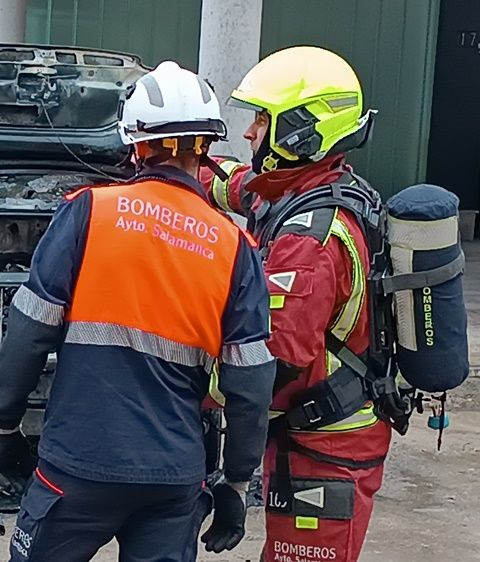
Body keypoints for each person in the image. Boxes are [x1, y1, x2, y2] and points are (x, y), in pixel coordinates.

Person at [0, 61, 276, 562]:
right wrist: (236, 482)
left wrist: (3, 427)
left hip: (78, 465)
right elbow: (249, 385)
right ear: (206, 150)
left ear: (135, 143)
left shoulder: (87, 212)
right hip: (173, 478)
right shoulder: (236, 247)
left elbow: (27, 336)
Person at [204, 46, 390, 562]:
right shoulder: (304, 189)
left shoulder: (309, 240)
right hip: (313, 435)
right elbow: (238, 185)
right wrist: (179, 159)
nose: (249, 134)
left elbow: (276, 360)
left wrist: (194, 385)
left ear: (299, 131)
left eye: (261, 121)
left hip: (328, 451)